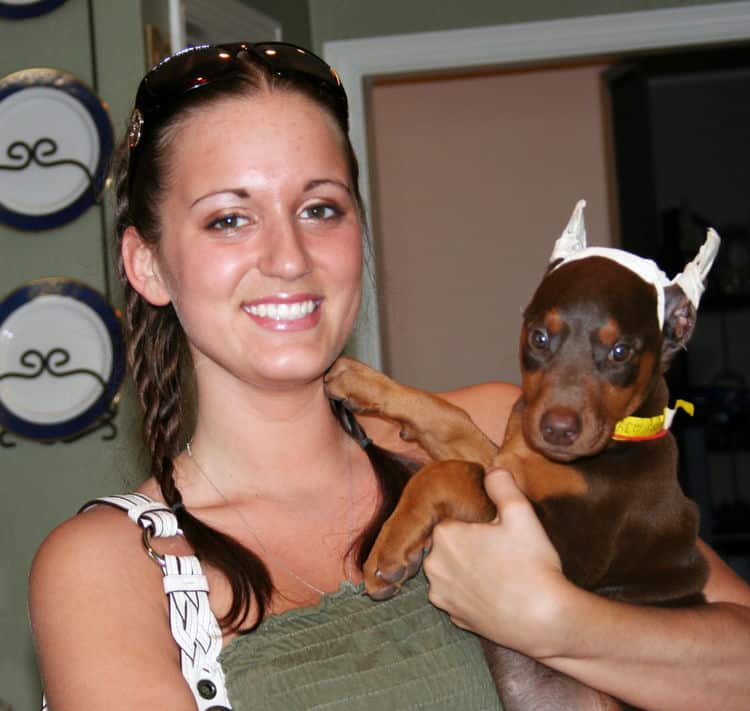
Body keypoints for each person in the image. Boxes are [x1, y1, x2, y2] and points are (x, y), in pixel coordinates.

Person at [27, 41, 750, 711]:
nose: (289, 256)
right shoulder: (111, 567)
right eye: (228, 219)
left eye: (320, 209)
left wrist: (556, 621)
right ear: (146, 263)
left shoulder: (503, 434)